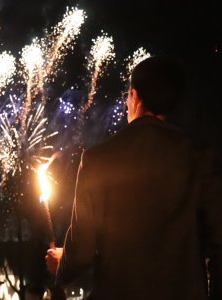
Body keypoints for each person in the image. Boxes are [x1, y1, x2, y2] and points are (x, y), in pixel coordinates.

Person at [46, 56, 222, 300]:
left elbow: (81, 252)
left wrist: (62, 266)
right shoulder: (199, 157)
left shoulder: (98, 159)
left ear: (134, 96)